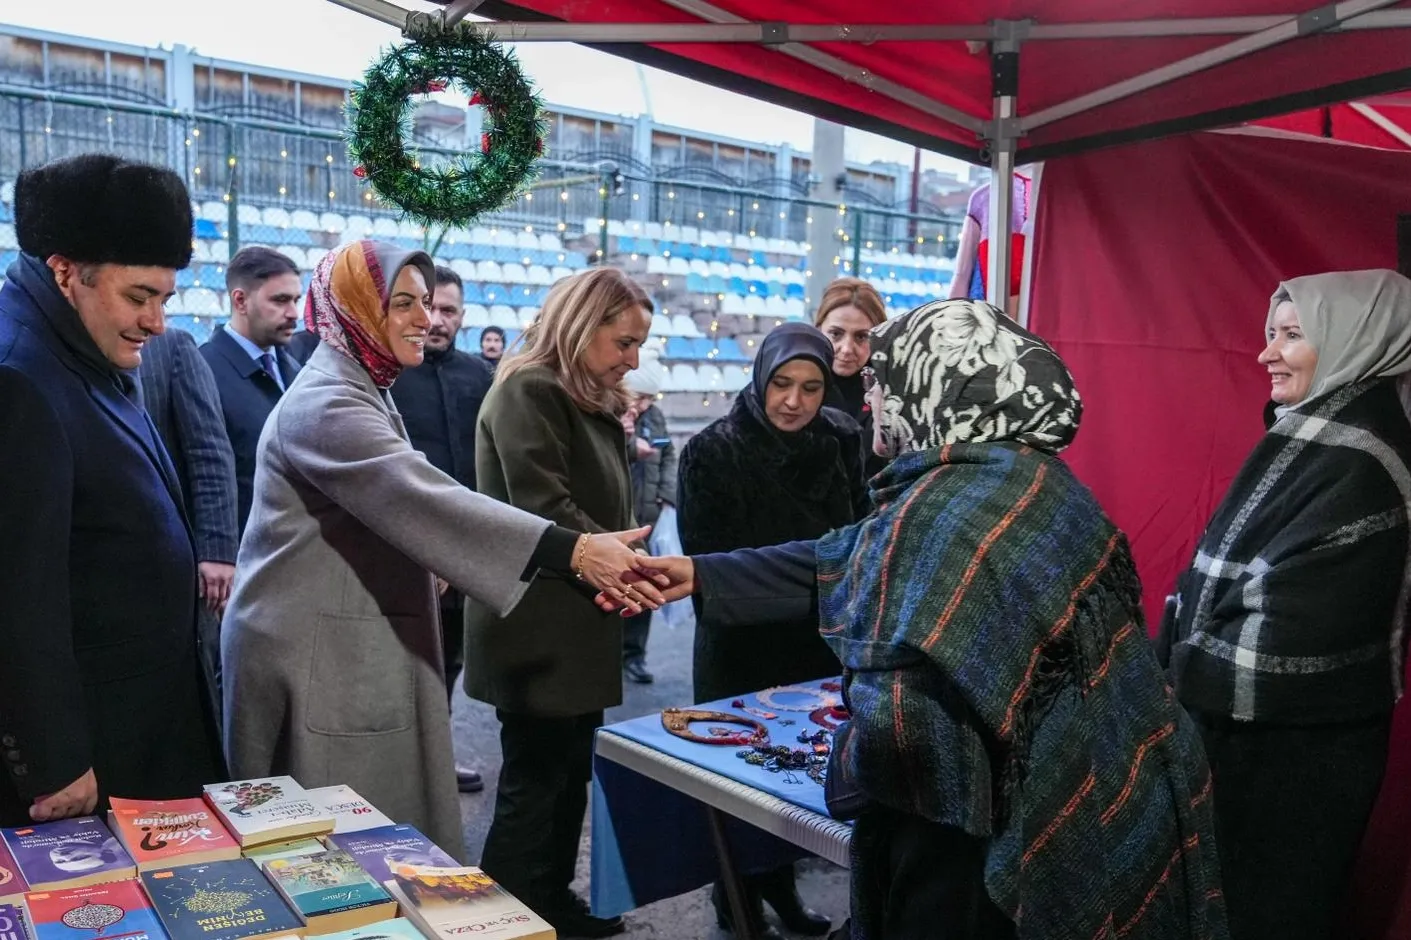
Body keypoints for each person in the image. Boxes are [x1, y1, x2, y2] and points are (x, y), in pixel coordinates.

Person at [616, 301, 1229, 940]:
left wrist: (848, 767)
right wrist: (704, 573)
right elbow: (852, 552)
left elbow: (903, 742)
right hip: (1097, 784)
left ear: (935, 386)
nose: (869, 397)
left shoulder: (942, 511)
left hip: (974, 835)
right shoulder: (1018, 476)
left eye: (883, 381)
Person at [221, 243, 661, 868]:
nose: (424, 319)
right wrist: (579, 550)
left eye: (426, 302)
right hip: (314, 657)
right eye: (402, 303)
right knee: (325, 856)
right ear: (355, 308)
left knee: (357, 847)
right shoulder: (328, 401)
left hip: (343, 644)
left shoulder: (361, 386)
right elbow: (425, 498)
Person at [1160, 270, 1411, 940]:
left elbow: (1288, 639)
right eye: (1271, 333)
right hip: (1262, 746)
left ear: (1355, 339)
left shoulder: (1359, 460)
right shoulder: (1318, 438)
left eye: (1292, 335)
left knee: (1261, 912)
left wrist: (1164, 671)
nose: (1265, 352)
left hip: (1291, 761)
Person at [0, 153, 224, 826]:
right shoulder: (19, 375)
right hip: (92, 754)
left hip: (140, 727)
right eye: (139, 297)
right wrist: (54, 757)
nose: (157, 322)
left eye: (165, 299)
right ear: (65, 272)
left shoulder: (77, 347)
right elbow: (17, 593)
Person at [465, 267, 653, 938]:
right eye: (624, 342)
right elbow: (542, 504)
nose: (633, 359)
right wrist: (622, 564)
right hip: (537, 625)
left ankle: (549, 899)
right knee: (535, 784)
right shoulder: (530, 389)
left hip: (574, 621)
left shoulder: (579, 395)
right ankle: (507, 917)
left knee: (568, 775)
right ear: (580, 326)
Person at [677, 321, 862, 938]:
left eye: (811, 387)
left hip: (816, 647)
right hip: (741, 649)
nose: (794, 401)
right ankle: (735, 903)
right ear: (761, 378)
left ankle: (782, 891)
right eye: (782, 383)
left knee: (797, 782)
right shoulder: (712, 449)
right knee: (741, 784)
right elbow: (707, 568)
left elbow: (859, 540)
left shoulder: (841, 438)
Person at [391, 264, 495, 793]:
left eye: (448, 310)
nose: (436, 319)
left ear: (463, 316)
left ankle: (436, 760)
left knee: (448, 662)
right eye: (428, 306)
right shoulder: (388, 374)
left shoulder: (481, 376)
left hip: (464, 552)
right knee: (397, 664)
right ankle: (395, 770)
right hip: (400, 550)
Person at [135, 326, 240, 725]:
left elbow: (208, 449)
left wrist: (217, 550)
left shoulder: (171, 346)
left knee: (191, 693)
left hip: (177, 559)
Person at [200, 246, 304, 534]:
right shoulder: (202, 370)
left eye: (296, 300)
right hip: (241, 546)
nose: (293, 313)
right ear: (240, 300)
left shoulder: (297, 370)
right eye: (280, 300)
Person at [620, 352, 676, 685]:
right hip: (616, 518)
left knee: (643, 586)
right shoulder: (612, 414)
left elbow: (667, 454)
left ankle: (634, 656)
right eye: (640, 397)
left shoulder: (655, 417)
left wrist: (666, 495)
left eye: (649, 399)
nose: (644, 404)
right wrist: (627, 441)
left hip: (648, 515)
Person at [813, 277, 888, 481]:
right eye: (836, 334)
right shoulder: (793, 383)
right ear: (818, 329)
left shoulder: (894, 391)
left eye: (861, 337)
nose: (846, 349)